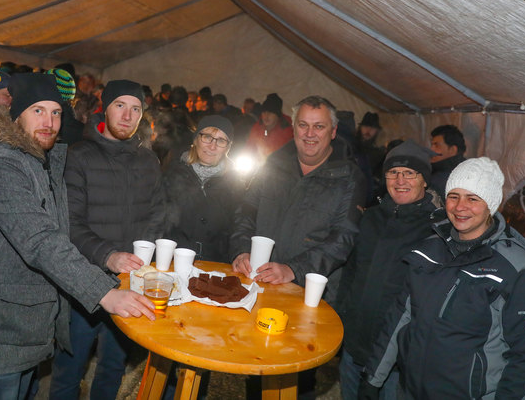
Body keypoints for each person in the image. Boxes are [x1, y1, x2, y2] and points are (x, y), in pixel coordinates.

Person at [0, 73, 155, 399]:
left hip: (31, 327)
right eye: (37, 111)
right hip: (0, 330)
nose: (48, 121)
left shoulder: (42, 160)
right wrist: (104, 293)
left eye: (55, 112)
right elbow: (40, 240)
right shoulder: (1, 165)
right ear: (16, 113)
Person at [361, 157, 525, 399]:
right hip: (410, 390)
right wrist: (373, 377)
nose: (460, 207)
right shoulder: (430, 249)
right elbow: (401, 316)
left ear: (490, 204)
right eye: (454, 196)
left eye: (473, 198)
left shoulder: (516, 268)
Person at [231, 95, 365, 397]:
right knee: (258, 365)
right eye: (303, 125)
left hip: (309, 296)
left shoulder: (348, 176)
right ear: (293, 128)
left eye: (319, 126)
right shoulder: (274, 163)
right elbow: (246, 212)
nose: (309, 133)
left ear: (333, 131)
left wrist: (294, 268)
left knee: (298, 375)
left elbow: (344, 237)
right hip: (263, 286)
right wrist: (241, 249)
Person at [49, 79, 165, 400]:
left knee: (113, 365)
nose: (127, 116)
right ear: (105, 108)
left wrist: (148, 246)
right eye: (120, 106)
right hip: (84, 282)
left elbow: (158, 212)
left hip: (130, 284)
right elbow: (69, 223)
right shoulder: (79, 156)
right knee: (69, 370)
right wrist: (108, 256)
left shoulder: (148, 161)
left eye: (135, 109)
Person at [336, 140, 443, 400]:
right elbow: (350, 273)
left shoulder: (436, 230)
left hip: (397, 360)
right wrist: (341, 322)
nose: (400, 179)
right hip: (354, 347)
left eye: (410, 173)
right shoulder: (370, 218)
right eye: (393, 172)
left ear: (425, 180)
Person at [164, 115, 244, 262]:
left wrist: (240, 253)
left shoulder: (235, 184)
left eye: (221, 140)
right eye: (207, 137)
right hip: (173, 262)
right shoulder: (173, 173)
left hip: (215, 266)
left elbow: (240, 226)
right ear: (195, 139)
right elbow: (157, 219)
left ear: (228, 147)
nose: (212, 146)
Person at [245, 92, 293, 163]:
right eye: (264, 112)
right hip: (259, 166)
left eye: (270, 112)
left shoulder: (288, 129)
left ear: (277, 115)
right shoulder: (258, 127)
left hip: (281, 166)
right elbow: (250, 147)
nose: (266, 116)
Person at [354, 112, 386, 207]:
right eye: (365, 126)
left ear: (377, 131)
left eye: (372, 128)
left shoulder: (379, 154)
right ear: (360, 128)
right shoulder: (351, 147)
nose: (368, 130)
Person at [429, 124, 466, 198]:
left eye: (436, 145)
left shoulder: (441, 180)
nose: (431, 149)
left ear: (452, 150)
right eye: (432, 145)